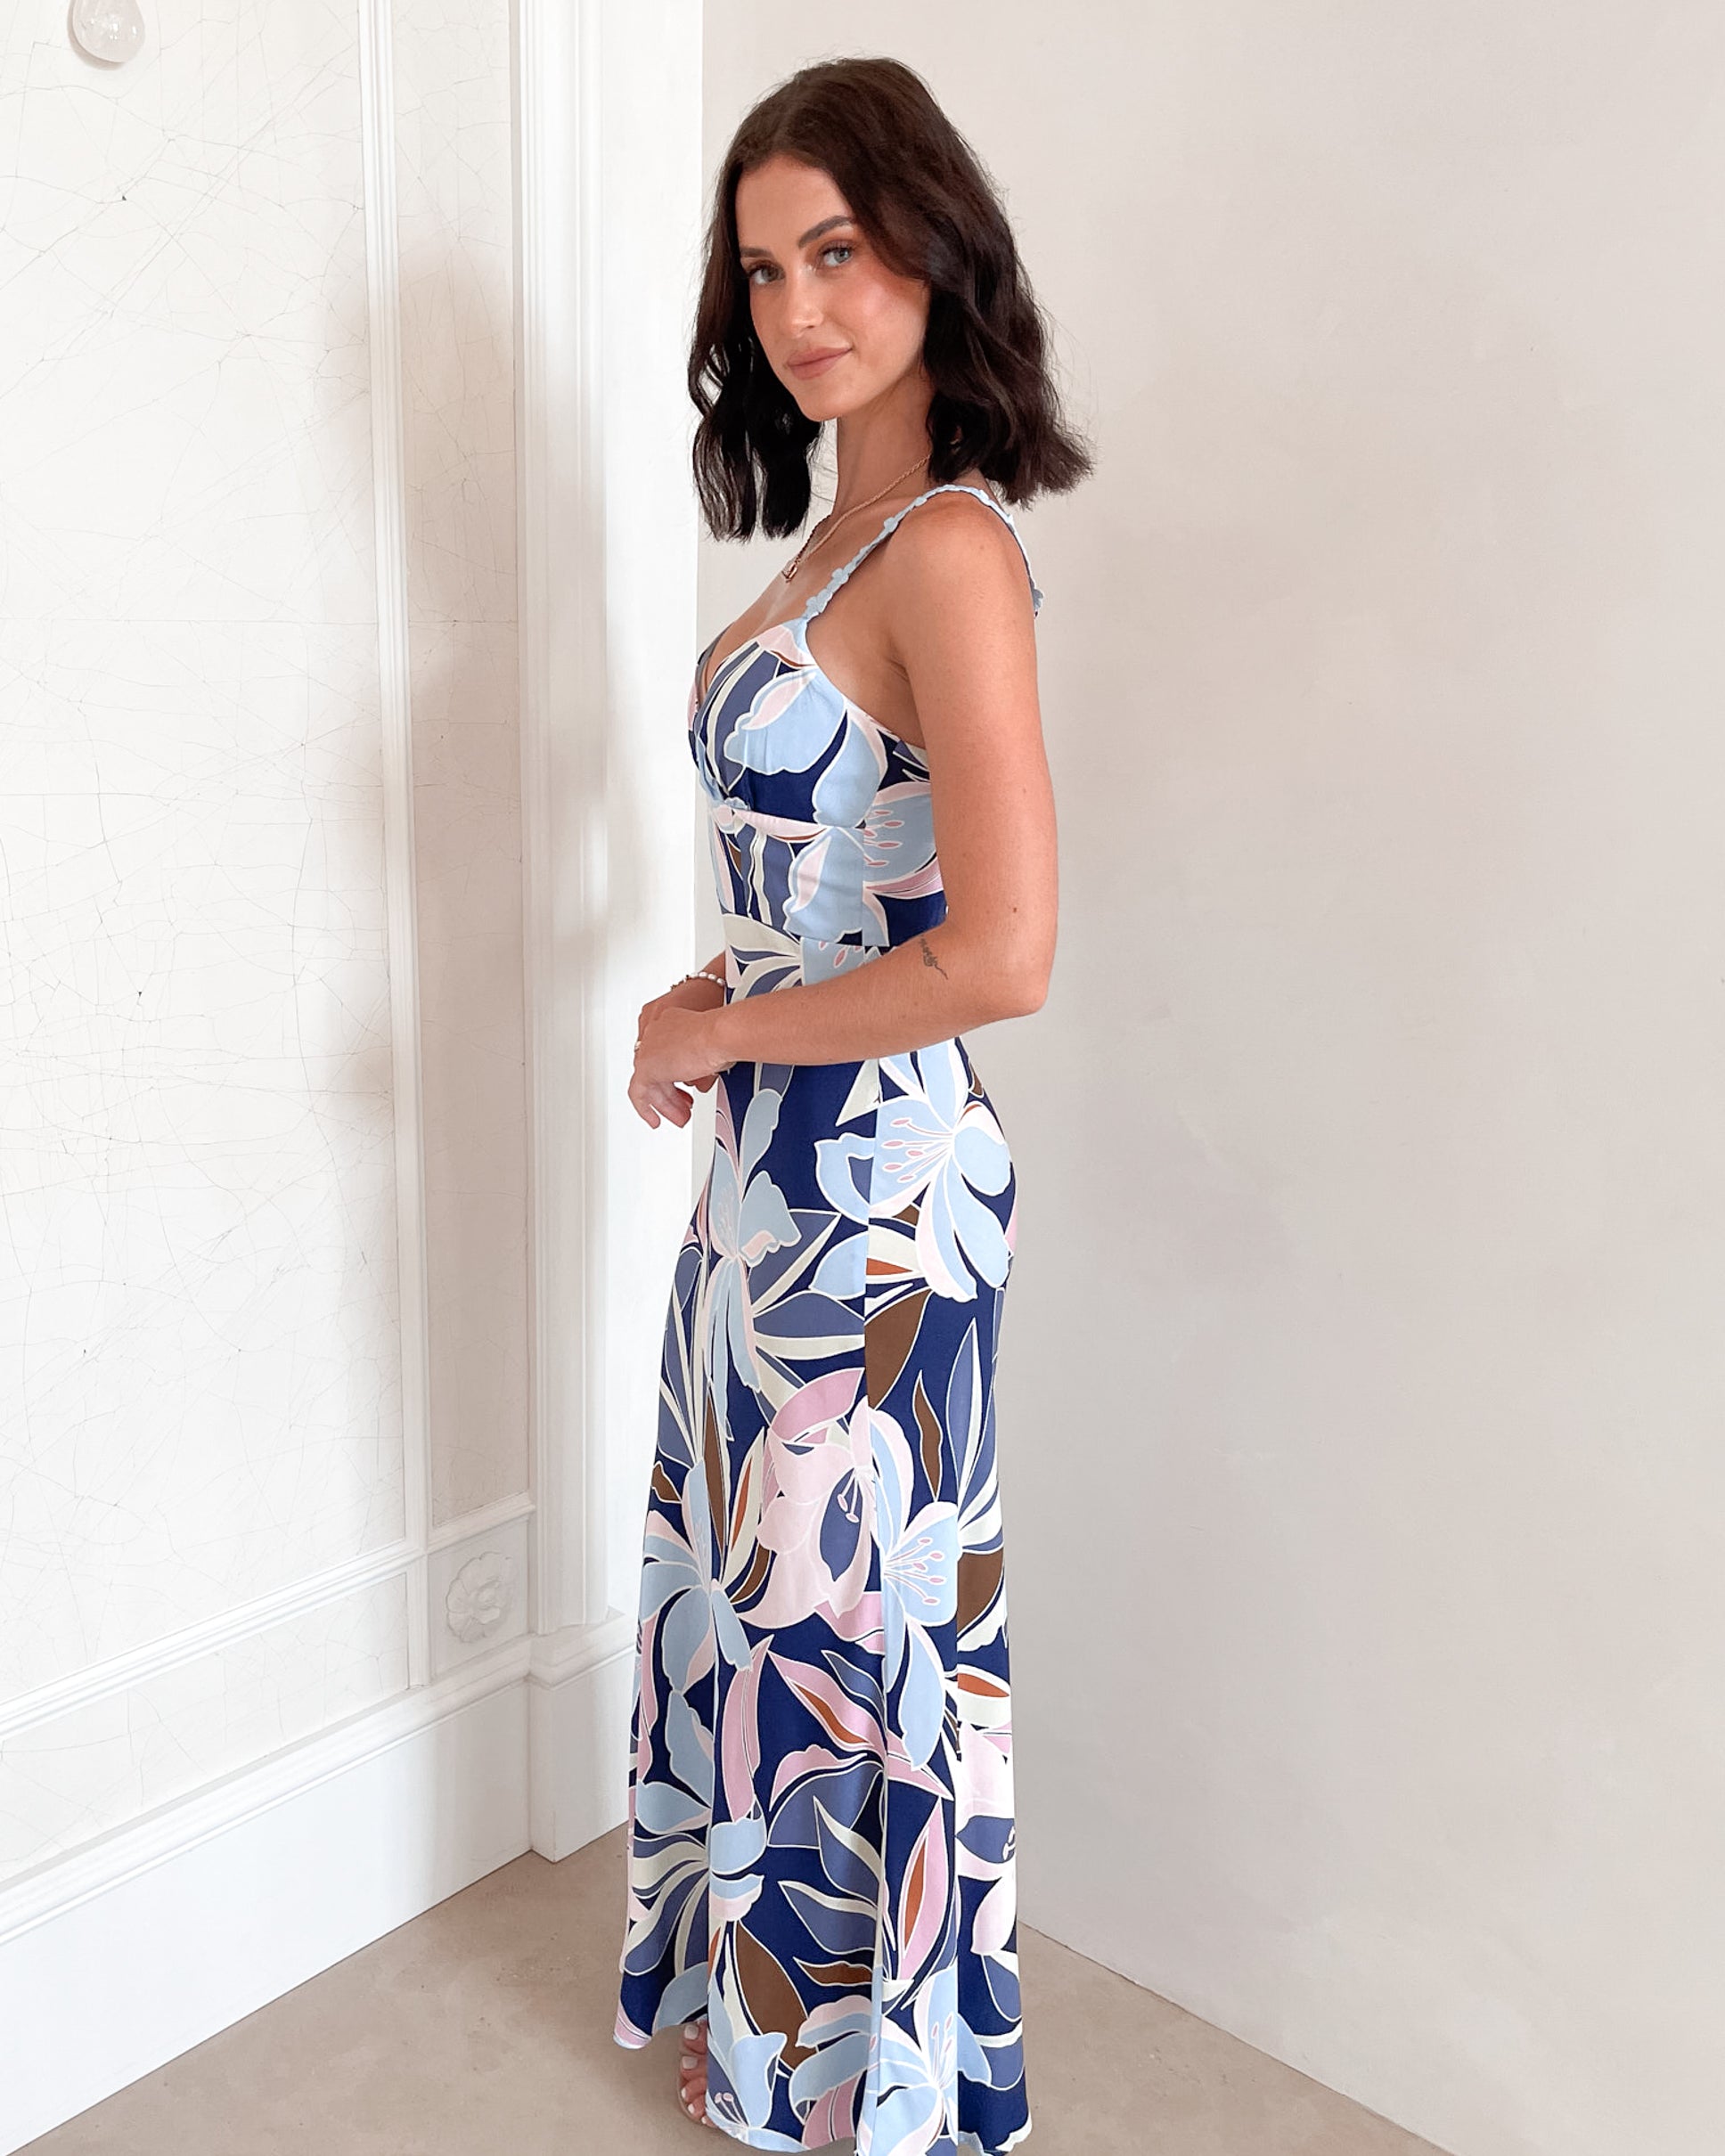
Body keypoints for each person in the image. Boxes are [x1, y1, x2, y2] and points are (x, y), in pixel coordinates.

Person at [611, 53, 1091, 2154]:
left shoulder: (952, 549)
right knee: (774, 1616)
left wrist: (733, 1034)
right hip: (767, 1184)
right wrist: (705, 990)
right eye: (761, 269)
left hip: (881, 1202)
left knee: (853, 1637)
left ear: (928, 242)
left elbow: (998, 953)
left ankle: (874, 2091)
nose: (800, 305)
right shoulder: (835, 537)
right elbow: (844, 899)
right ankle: (782, 2052)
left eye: (837, 248)